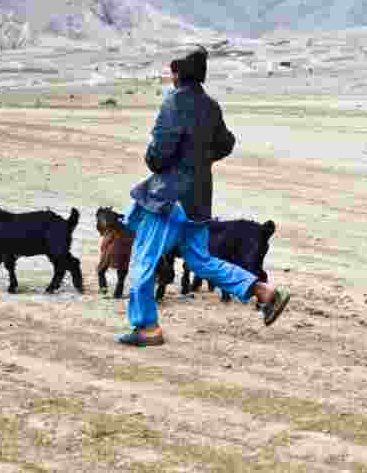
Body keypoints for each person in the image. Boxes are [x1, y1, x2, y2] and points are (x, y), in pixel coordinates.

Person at [115, 48, 290, 347]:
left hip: (170, 199)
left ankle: (147, 327)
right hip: (198, 200)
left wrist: (164, 159)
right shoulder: (211, 106)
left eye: (173, 72)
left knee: (144, 260)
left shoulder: (173, 102)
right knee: (201, 260)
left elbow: (158, 156)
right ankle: (264, 292)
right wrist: (199, 160)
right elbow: (226, 143)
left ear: (178, 74)